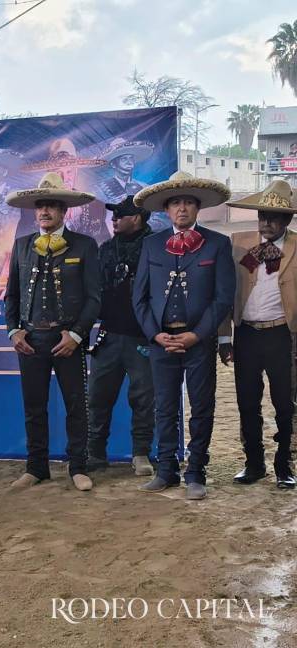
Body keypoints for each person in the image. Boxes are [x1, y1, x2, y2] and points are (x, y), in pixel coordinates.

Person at [132, 171, 234, 500]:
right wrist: (154, 335)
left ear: (197, 208)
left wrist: (198, 335)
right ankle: (166, 471)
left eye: (188, 202)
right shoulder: (150, 244)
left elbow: (223, 298)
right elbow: (141, 298)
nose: (182, 208)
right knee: (163, 407)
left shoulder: (218, 243)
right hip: (162, 342)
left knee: (201, 406)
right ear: (166, 209)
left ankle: (196, 472)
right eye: (176, 202)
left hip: (198, 343)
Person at [4, 173, 101, 492]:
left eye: (51, 206)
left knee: (76, 405)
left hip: (67, 341)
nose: (44, 212)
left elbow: (93, 298)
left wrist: (75, 335)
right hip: (31, 340)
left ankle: (78, 467)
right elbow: (12, 296)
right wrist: (14, 331)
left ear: (64, 212)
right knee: (34, 406)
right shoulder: (21, 246)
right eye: (41, 206)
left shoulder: (84, 246)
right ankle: (36, 467)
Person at [219, 180, 297, 489]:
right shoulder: (240, 243)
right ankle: (253, 462)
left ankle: (284, 463)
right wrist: (225, 337)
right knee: (247, 402)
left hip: (282, 335)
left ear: (287, 219)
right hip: (247, 334)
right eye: (262, 216)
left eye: (273, 218)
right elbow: (225, 292)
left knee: (285, 403)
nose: (266, 222)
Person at [86, 195, 155, 476]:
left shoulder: (156, 248)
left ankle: (141, 454)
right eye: (113, 216)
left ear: (136, 218)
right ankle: (95, 453)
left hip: (143, 337)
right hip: (109, 334)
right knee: (98, 397)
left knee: (143, 398)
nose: (113, 220)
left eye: (119, 216)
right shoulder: (105, 249)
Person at [98, 138, 153, 205]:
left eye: (131, 158)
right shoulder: (101, 189)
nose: (129, 162)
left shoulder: (144, 187)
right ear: (113, 164)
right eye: (124, 159)